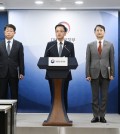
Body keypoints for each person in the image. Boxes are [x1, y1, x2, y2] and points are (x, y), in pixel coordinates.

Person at [86, 24, 115, 123]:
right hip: (93, 73)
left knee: (104, 96)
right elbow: (88, 61)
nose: (99, 32)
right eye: (97, 30)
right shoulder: (90, 45)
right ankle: (95, 116)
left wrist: (112, 74)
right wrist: (87, 74)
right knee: (94, 97)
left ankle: (102, 116)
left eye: (101, 30)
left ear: (104, 32)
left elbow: (112, 60)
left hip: (106, 74)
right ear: (94, 32)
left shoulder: (110, 45)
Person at [44, 24, 75, 112]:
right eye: (57, 31)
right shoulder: (50, 44)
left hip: (65, 75)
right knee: (54, 94)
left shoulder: (70, 45)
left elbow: (73, 60)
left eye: (61, 31)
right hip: (52, 75)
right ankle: (53, 114)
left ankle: (64, 114)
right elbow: (45, 60)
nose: (59, 33)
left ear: (65, 33)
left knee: (63, 94)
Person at [0, 24, 24, 100]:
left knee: (14, 94)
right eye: (7, 31)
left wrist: (21, 72)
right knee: (2, 94)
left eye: (11, 31)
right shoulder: (0, 44)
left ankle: (14, 112)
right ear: (4, 32)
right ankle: (2, 112)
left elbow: (21, 59)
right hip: (1, 73)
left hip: (14, 73)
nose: (9, 32)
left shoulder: (19, 45)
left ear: (14, 33)